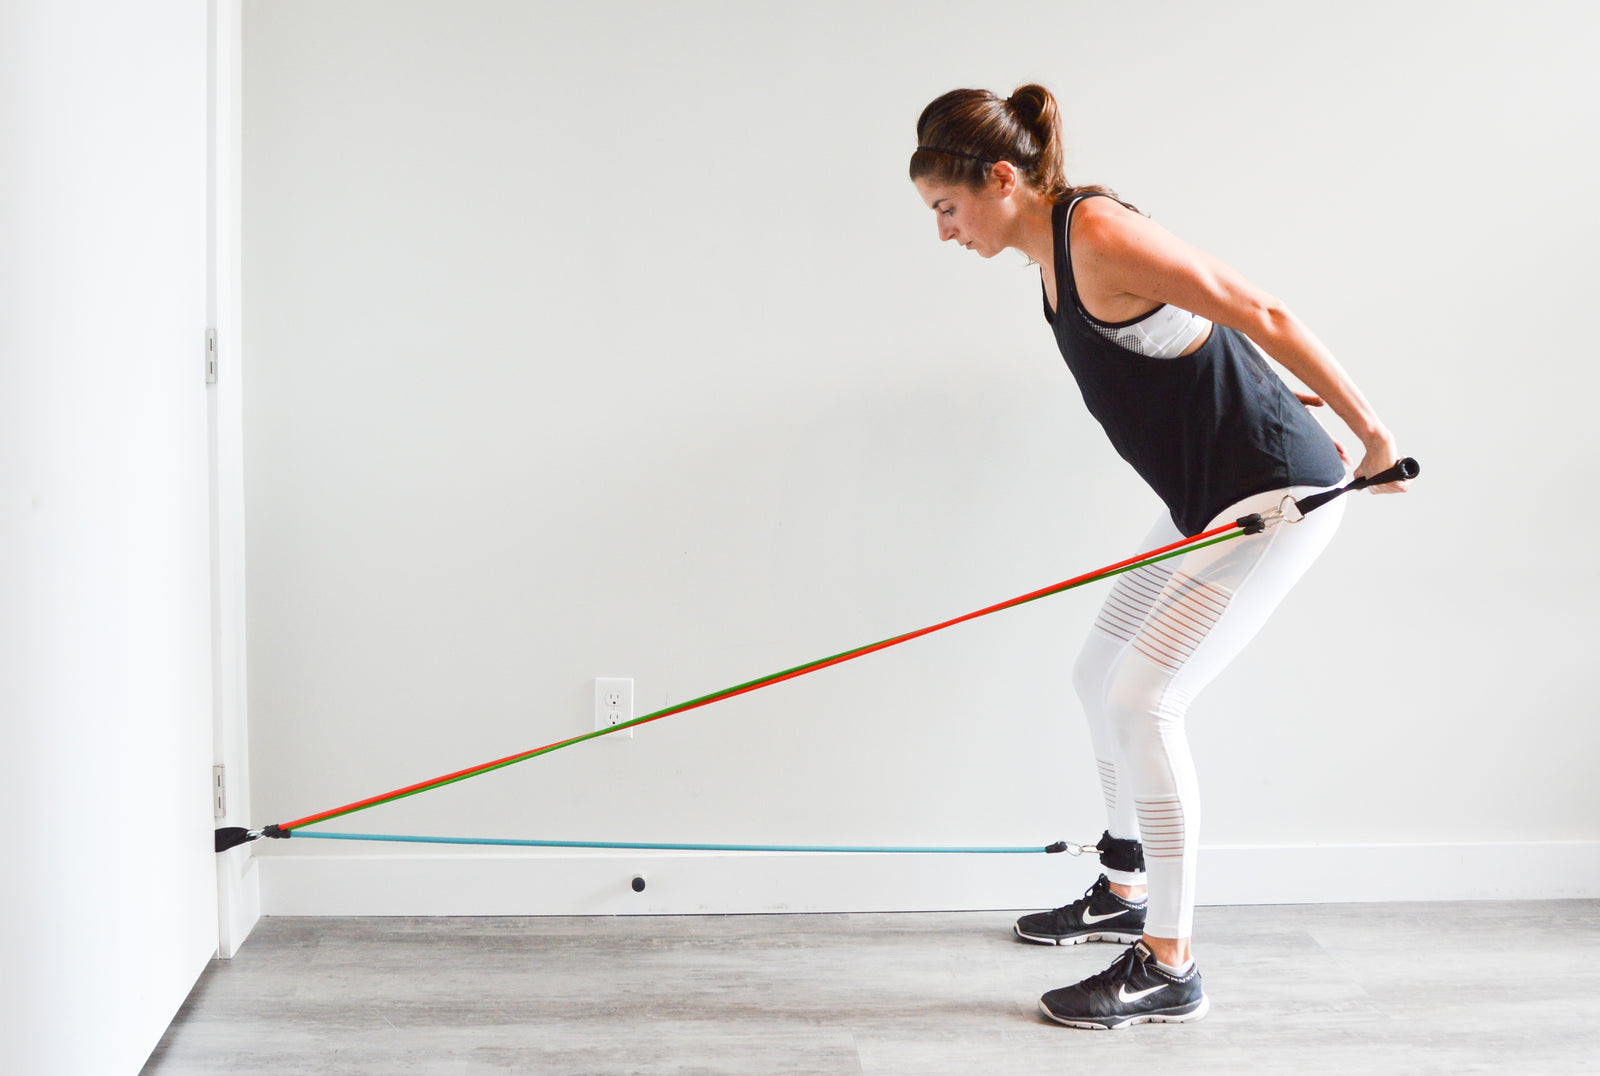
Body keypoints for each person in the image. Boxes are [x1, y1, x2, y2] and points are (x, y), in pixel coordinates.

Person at [909, 84, 1409, 1030]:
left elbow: (1256, 305)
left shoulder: (1090, 232)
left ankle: (1169, 960)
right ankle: (1122, 883)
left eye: (946, 207)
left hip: (1273, 498)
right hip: (1206, 500)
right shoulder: (1053, 258)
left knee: (1146, 697)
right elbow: (1188, 340)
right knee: (1098, 671)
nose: (943, 231)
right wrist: (1252, 399)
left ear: (1001, 179)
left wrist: (1372, 434)